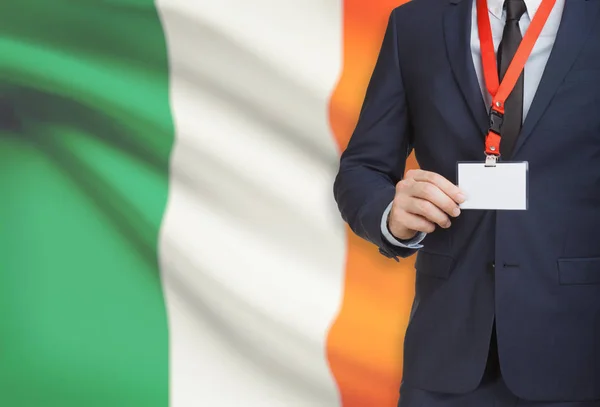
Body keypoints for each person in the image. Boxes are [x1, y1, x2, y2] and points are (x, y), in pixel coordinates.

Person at [333, 0, 600, 405]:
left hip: (580, 354)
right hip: (445, 356)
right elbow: (361, 168)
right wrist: (390, 214)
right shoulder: (415, 24)